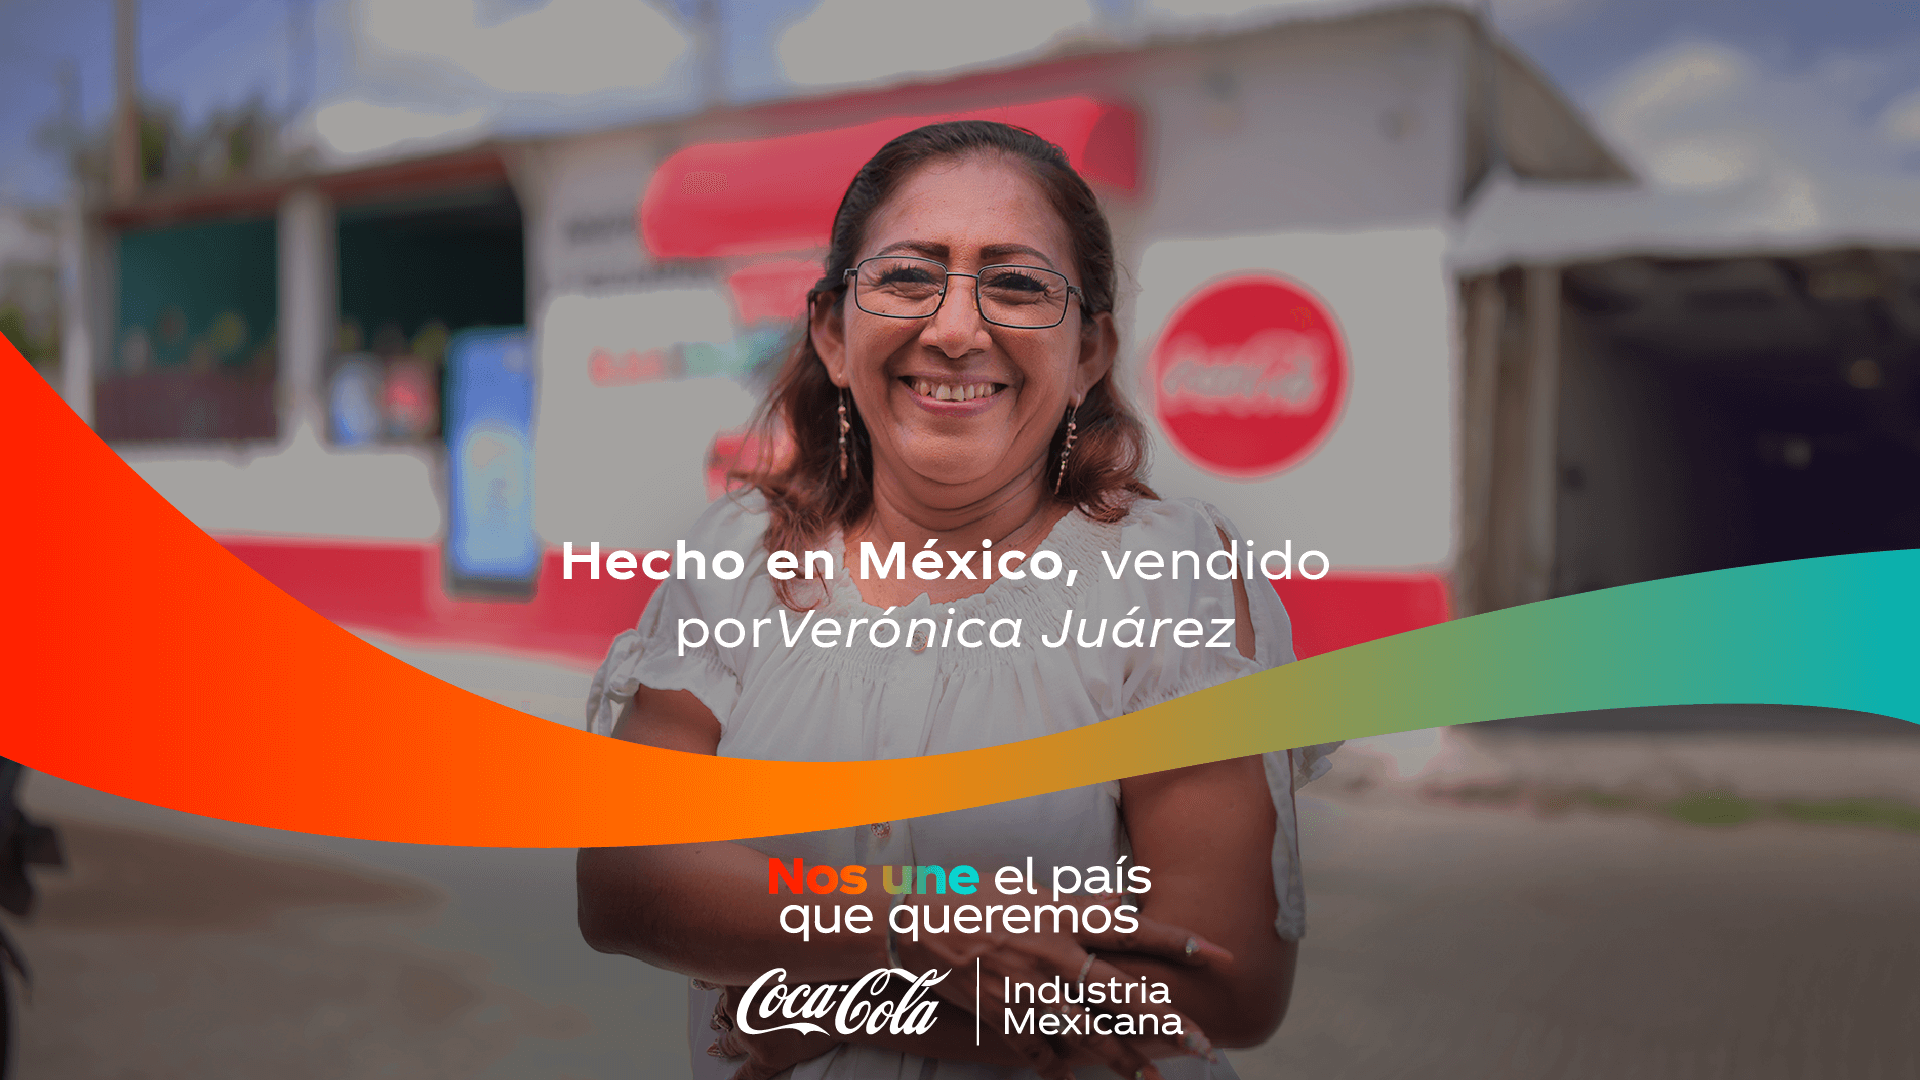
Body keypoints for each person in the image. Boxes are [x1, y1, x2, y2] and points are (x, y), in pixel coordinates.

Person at [577, 120, 1338, 1080]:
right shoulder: (734, 562)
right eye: (906, 276)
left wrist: (818, 988)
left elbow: (1224, 981)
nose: (955, 328)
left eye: (1017, 284)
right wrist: (911, 933)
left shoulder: (1169, 576)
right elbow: (621, 882)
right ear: (833, 335)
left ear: (1092, 351)